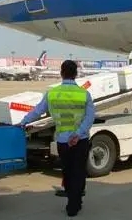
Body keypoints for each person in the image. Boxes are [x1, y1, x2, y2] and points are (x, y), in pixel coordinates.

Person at [18, 60, 95, 217]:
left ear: (61, 73)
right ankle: (74, 204)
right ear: (75, 74)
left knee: (67, 171)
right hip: (79, 141)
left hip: (62, 141)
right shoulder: (84, 94)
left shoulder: (52, 94)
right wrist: (78, 134)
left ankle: (72, 200)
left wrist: (24, 121)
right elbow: (90, 118)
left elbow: (38, 111)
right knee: (79, 172)